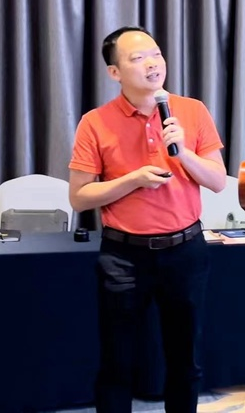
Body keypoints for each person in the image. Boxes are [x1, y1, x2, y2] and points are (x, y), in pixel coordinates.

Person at [68, 26, 227, 413]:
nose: (152, 64)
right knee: (118, 363)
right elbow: (79, 196)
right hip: (124, 257)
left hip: (185, 250)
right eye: (138, 58)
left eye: (156, 54)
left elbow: (218, 181)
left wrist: (183, 152)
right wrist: (133, 180)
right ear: (115, 72)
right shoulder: (95, 122)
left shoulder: (192, 110)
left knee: (185, 361)